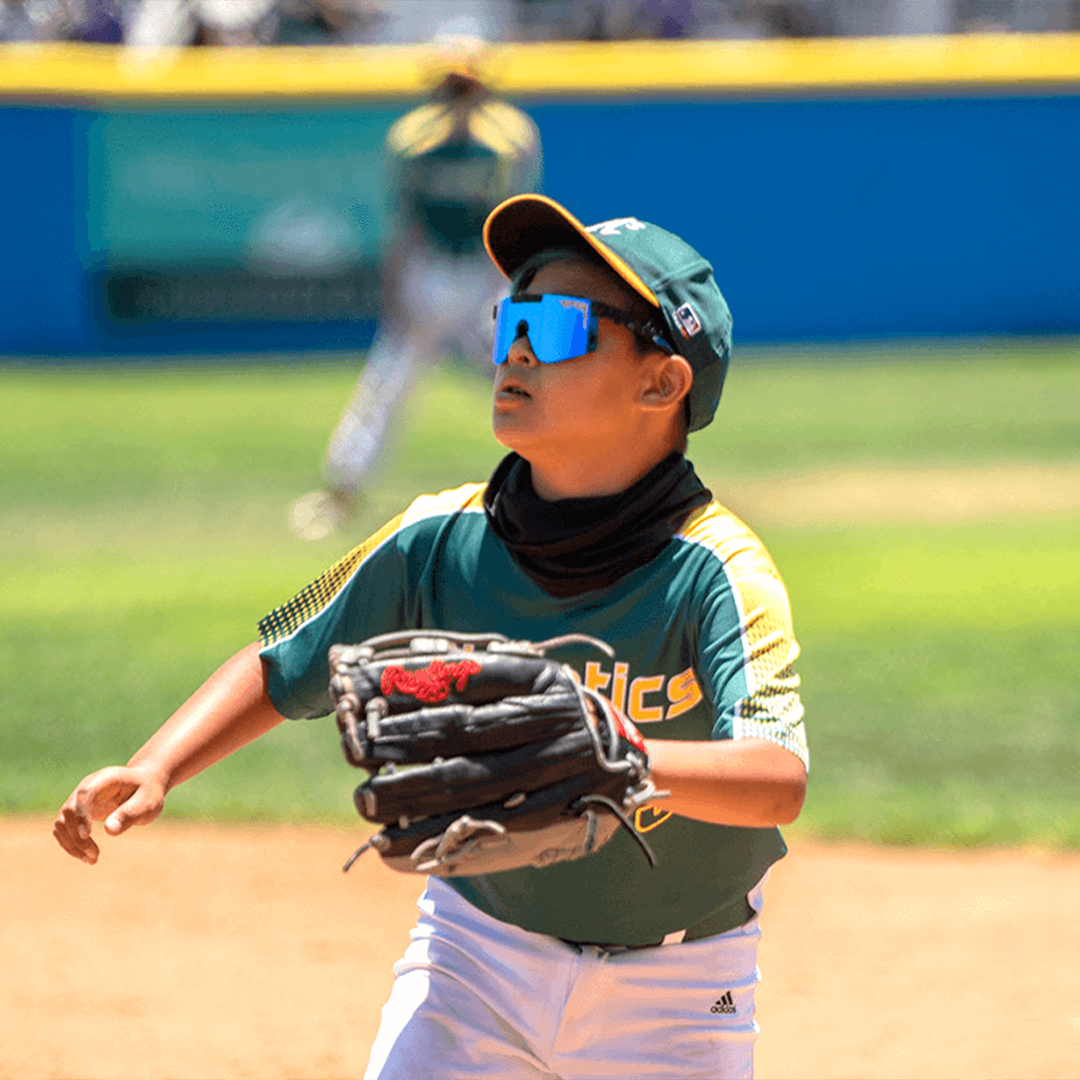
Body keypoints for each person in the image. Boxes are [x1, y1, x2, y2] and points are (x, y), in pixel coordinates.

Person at [54, 193, 809, 1079]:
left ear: (661, 381)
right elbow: (284, 660)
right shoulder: (437, 536)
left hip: (681, 992)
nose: (518, 348)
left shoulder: (718, 570)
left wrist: (610, 753)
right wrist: (157, 764)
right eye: (510, 318)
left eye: (560, 326)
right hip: (474, 961)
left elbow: (776, 779)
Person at [287, 57, 542, 541]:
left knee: (523, 375)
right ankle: (343, 490)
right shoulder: (414, 140)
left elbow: (515, 211)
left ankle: (575, 472)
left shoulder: (509, 138)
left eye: (466, 86)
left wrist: (513, 283)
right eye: (452, 86)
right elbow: (406, 222)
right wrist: (396, 284)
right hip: (432, 271)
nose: (460, 96)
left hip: (483, 272)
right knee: (389, 380)